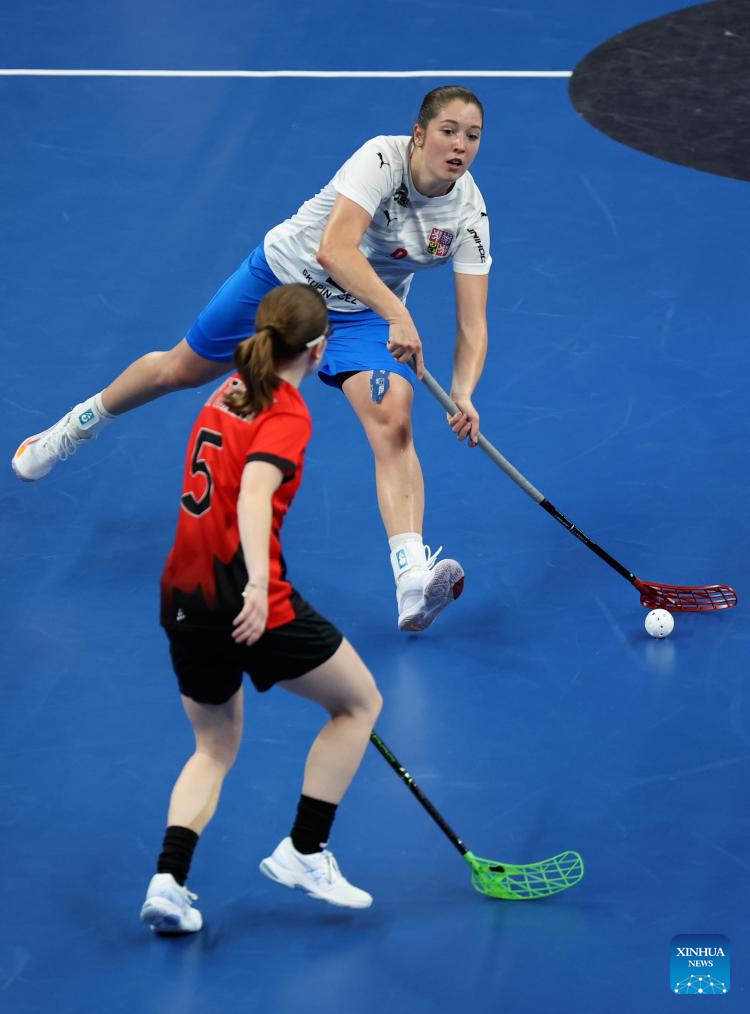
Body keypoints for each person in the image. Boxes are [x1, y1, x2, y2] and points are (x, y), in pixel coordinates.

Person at [13, 85, 491, 633]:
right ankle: (76, 425)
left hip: (360, 315)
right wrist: (398, 314)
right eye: (449, 131)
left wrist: (463, 392)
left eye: (472, 135)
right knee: (179, 370)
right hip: (284, 278)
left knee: (393, 420)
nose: (460, 145)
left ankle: (410, 579)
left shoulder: (468, 214)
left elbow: (473, 323)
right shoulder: (380, 159)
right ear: (419, 134)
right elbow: (334, 250)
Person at [140, 284, 382, 933]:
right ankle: (304, 850)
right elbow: (253, 494)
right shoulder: (288, 412)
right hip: (246, 597)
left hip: (182, 595)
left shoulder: (227, 390)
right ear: (319, 349)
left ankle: (167, 883)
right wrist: (254, 586)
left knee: (213, 748)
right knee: (358, 704)